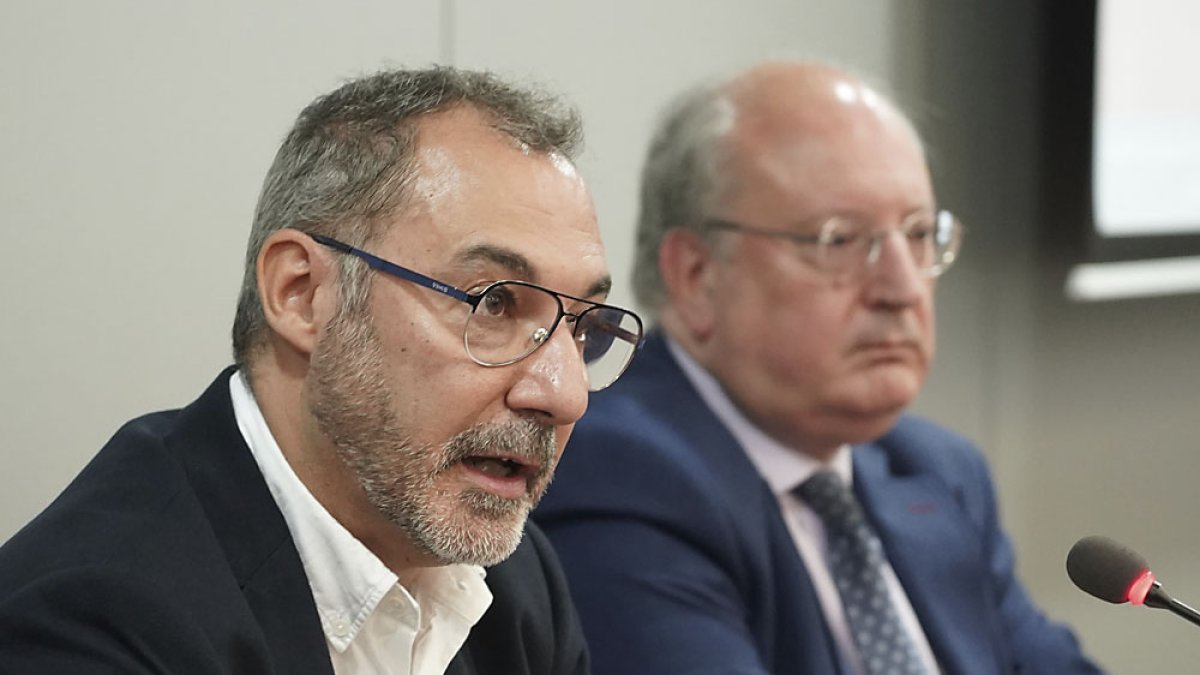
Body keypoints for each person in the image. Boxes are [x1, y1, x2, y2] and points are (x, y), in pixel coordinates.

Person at [0, 66, 645, 675]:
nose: (565, 394)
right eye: (494, 302)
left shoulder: (517, 581)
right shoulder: (95, 622)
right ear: (301, 292)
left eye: (583, 328)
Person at [532, 61, 1103, 675]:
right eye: (838, 240)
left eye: (917, 235)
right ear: (697, 277)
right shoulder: (621, 479)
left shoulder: (938, 471)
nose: (903, 288)